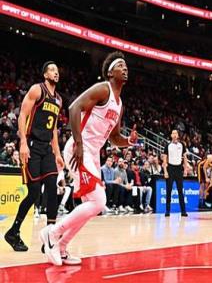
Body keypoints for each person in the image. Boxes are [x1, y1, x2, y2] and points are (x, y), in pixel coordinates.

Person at [39, 51, 137, 266]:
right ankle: (52, 234)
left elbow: (114, 138)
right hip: (79, 149)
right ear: (110, 72)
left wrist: (129, 141)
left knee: (89, 207)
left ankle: (61, 247)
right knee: (99, 201)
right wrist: (79, 144)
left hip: (91, 154)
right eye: (120, 65)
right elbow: (74, 107)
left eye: (126, 65)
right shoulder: (103, 89)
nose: (125, 68)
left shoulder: (119, 104)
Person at [4, 61, 64, 252]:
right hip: (31, 145)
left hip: (47, 149)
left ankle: (50, 237)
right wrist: (22, 142)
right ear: (45, 74)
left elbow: (53, 129)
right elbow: (22, 114)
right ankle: (13, 232)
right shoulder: (37, 90)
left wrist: (58, 153)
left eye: (57, 70)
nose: (56, 73)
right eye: (52, 70)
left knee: (53, 187)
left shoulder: (59, 99)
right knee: (34, 192)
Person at [162, 129, 188, 217]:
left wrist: (185, 169)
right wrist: (165, 171)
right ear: (171, 135)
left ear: (178, 135)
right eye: (173, 133)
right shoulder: (168, 146)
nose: (175, 135)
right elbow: (164, 159)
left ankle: (183, 211)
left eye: (176, 133)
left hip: (179, 168)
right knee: (168, 190)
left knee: (180, 190)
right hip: (170, 168)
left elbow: (185, 158)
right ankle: (167, 211)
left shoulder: (182, 145)